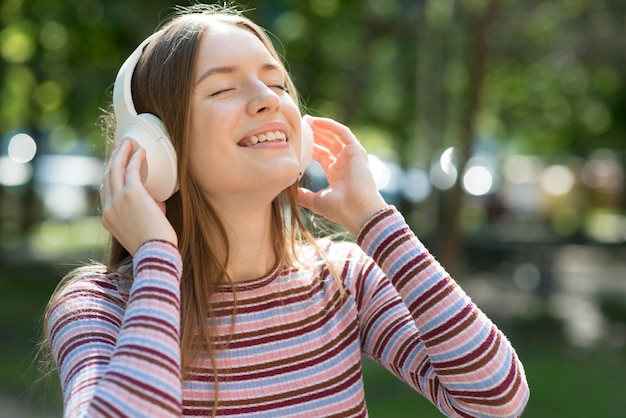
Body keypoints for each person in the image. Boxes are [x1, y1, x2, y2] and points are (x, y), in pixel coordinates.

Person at [43, 4, 529, 418]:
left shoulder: (343, 280)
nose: (266, 102)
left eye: (276, 84)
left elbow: (496, 399)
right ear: (158, 146)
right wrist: (155, 257)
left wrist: (374, 219)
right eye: (222, 89)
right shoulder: (98, 309)